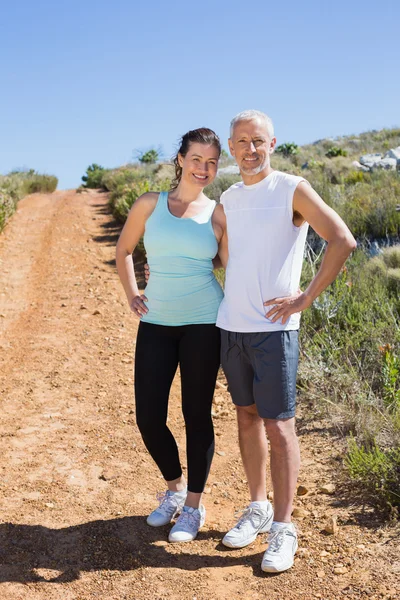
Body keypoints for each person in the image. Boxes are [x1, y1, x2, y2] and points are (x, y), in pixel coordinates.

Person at [216, 110, 357, 573]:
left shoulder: (292, 188)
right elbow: (229, 259)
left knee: (280, 428)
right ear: (231, 148)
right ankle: (257, 508)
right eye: (241, 142)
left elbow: (342, 239)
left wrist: (304, 298)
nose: (250, 150)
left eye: (258, 141)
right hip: (232, 328)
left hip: (275, 332)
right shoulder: (230, 197)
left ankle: (282, 528)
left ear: (272, 143)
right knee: (246, 418)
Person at [115, 128, 227, 543]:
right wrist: (133, 294)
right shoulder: (150, 204)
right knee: (148, 417)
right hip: (157, 322)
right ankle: (175, 487)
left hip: (203, 321)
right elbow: (124, 250)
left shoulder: (218, 213)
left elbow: (228, 263)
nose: (204, 168)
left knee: (196, 415)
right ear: (180, 159)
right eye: (197, 159)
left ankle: (193, 507)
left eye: (212, 162)